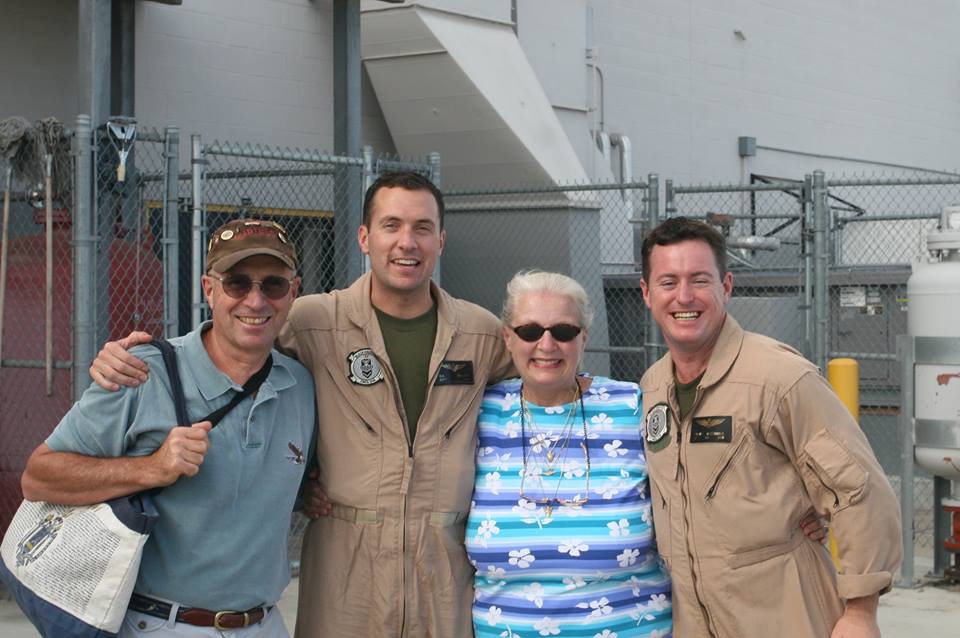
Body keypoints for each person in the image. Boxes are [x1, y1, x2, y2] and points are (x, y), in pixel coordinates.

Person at [87, 172, 514, 637]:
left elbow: (539, 381)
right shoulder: (312, 321)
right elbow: (232, 340)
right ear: (364, 238)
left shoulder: (480, 333)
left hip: (444, 566)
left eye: (422, 228)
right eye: (391, 226)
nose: (406, 243)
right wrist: (126, 358)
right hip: (347, 565)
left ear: (441, 240)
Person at [21, 219, 316, 637]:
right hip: (162, 624)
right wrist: (150, 469)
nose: (255, 300)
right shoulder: (142, 372)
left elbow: (298, 481)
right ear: (209, 289)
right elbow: (38, 477)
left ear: (294, 292)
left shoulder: (300, 386)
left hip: (264, 624)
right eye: (236, 283)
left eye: (273, 285)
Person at [638, 217, 902, 638]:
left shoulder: (780, 377)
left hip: (785, 616)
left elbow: (860, 490)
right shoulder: (652, 387)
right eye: (668, 282)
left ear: (726, 287)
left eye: (699, 280)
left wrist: (860, 612)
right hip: (694, 621)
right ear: (647, 293)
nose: (684, 296)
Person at [466, 270, 672, 638]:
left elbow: (697, 479)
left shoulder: (632, 408)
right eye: (530, 331)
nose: (547, 344)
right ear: (507, 337)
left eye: (563, 332)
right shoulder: (479, 414)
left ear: (584, 338)